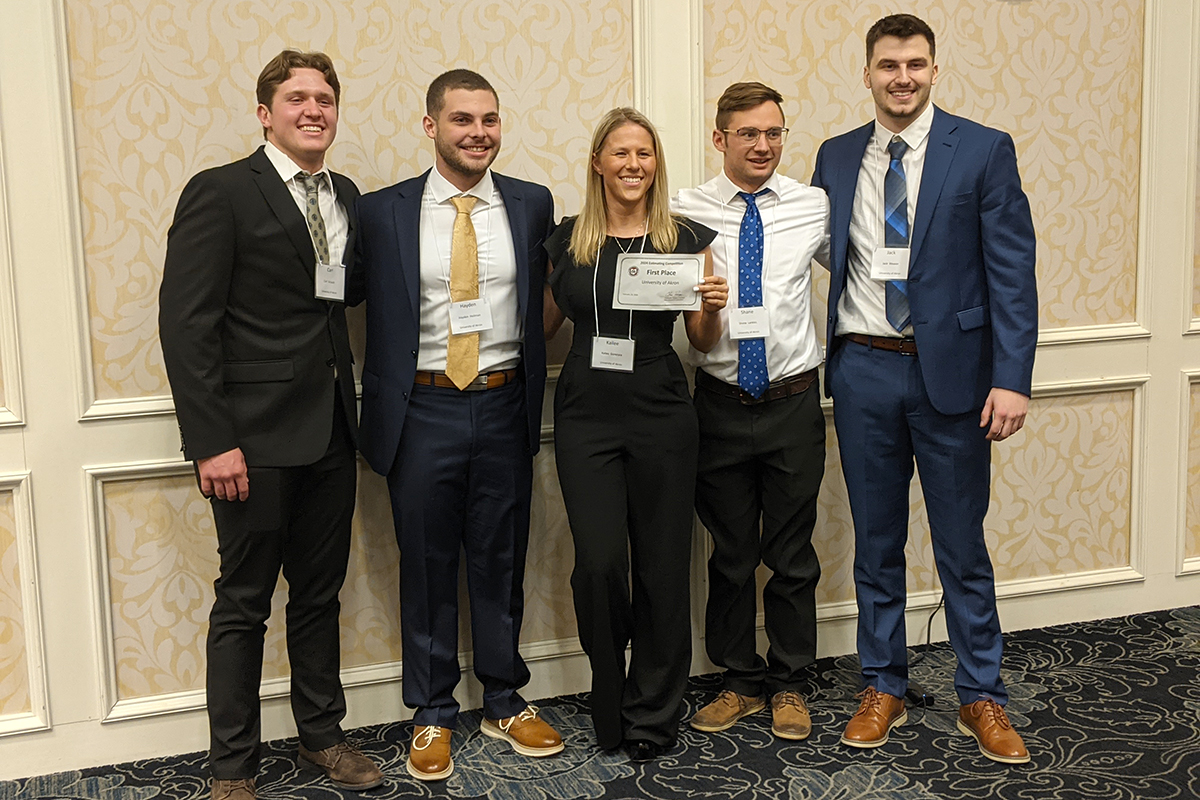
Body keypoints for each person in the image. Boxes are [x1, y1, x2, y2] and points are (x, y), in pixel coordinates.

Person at [811, 14, 1037, 764]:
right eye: (887, 65)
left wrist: (1012, 379)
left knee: (961, 546)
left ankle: (983, 694)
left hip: (955, 377)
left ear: (935, 69)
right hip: (864, 369)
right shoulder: (836, 157)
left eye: (914, 63)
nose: (901, 77)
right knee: (876, 546)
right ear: (867, 73)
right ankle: (884, 685)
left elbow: (1012, 272)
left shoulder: (981, 149)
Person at [158, 50, 382, 800]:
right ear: (265, 113)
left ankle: (322, 736)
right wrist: (211, 440)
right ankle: (233, 768)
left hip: (330, 432)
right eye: (297, 99)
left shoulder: (344, 193)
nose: (313, 110)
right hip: (248, 442)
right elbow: (186, 327)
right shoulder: (221, 192)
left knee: (320, 595)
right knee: (244, 602)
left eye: (325, 98)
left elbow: (342, 299)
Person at [350, 69, 562, 782]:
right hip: (423, 407)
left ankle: (504, 699)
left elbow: (548, 299)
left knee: (501, 559)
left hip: (504, 402)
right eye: (463, 119)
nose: (479, 132)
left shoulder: (532, 205)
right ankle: (433, 711)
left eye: (490, 119)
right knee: (429, 563)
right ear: (431, 125)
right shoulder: (383, 212)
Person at [543, 107, 728, 762]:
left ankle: (653, 709)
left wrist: (710, 309)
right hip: (586, 413)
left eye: (644, 154)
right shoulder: (568, 240)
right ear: (598, 162)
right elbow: (541, 331)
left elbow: (701, 341)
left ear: (656, 164)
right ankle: (608, 684)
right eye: (620, 153)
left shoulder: (685, 237)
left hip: (660, 410)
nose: (633, 164)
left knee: (661, 564)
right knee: (598, 564)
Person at [672, 82, 827, 741]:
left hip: (794, 402)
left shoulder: (812, 205)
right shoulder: (687, 210)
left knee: (791, 554)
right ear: (720, 139)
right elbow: (688, 322)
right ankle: (738, 679)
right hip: (720, 404)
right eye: (748, 134)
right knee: (731, 553)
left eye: (774, 133)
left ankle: (790, 682)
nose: (763, 145)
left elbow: (861, 273)